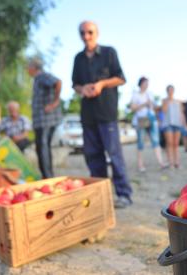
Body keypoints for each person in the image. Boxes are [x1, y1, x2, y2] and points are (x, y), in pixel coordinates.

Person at [72, 20, 132, 208]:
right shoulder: (78, 58)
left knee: (114, 155)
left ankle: (124, 194)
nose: (86, 36)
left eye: (89, 32)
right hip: (88, 116)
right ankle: (101, 194)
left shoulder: (109, 53)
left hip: (107, 114)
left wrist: (101, 84)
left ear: (96, 33)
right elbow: (75, 84)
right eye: (82, 33)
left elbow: (121, 78)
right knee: (93, 156)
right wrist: (83, 89)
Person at [28, 57, 62, 178]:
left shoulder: (42, 76)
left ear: (33, 67)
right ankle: (47, 175)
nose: (27, 70)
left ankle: (47, 176)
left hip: (46, 120)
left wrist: (55, 102)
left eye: (28, 67)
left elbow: (58, 82)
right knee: (43, 147)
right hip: (40, 121)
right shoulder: (37, 80)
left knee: (42, 147)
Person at [130, 77, 166, 172]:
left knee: (155, 140)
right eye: (145, 83)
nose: (147, 85)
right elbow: (133, 108)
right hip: (141, 119)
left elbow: (153, 107)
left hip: (151, 118)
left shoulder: (150, 93)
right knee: (140, 142)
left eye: (148, 83)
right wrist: (144, 104)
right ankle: (140, 164)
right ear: (141, 84)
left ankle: (161, 162)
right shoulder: (135, 94)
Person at [162, 85, 187, 169]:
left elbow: (182, 113)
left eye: (172, 90)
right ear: (167, 91)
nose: (171, 91)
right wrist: (168, 101)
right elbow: (164, 111)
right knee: (169, 143)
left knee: (176, 144)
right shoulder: (164, 100)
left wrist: (185, 124)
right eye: (169, 90)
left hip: (177, 124)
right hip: (168, 124)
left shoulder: (178, 101)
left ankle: (177, 162)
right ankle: (171, 163)